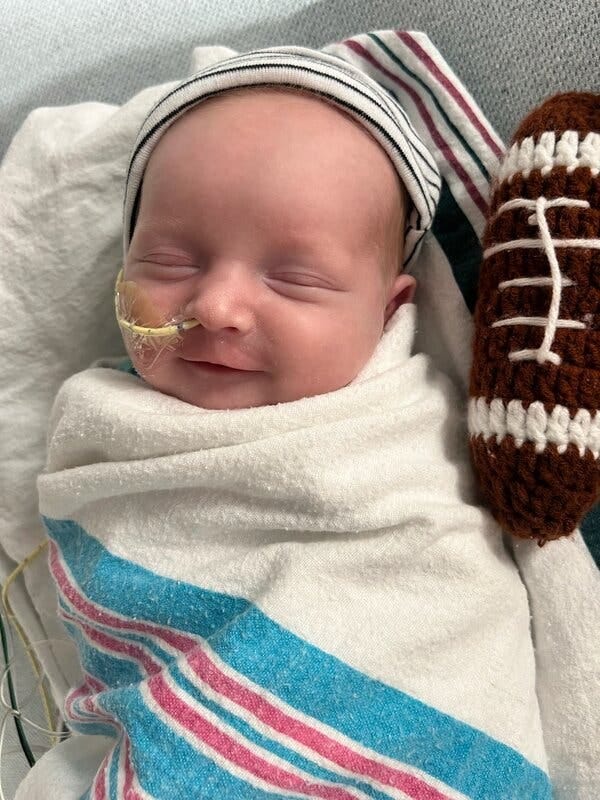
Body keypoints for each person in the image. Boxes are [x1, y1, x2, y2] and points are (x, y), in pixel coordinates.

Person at [25, 46, 553, 800]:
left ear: (390, 309)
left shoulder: (407, 431)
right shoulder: (105, 430)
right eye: (170, 262)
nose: (216, 308)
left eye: (294, 277)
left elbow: (447, 604)